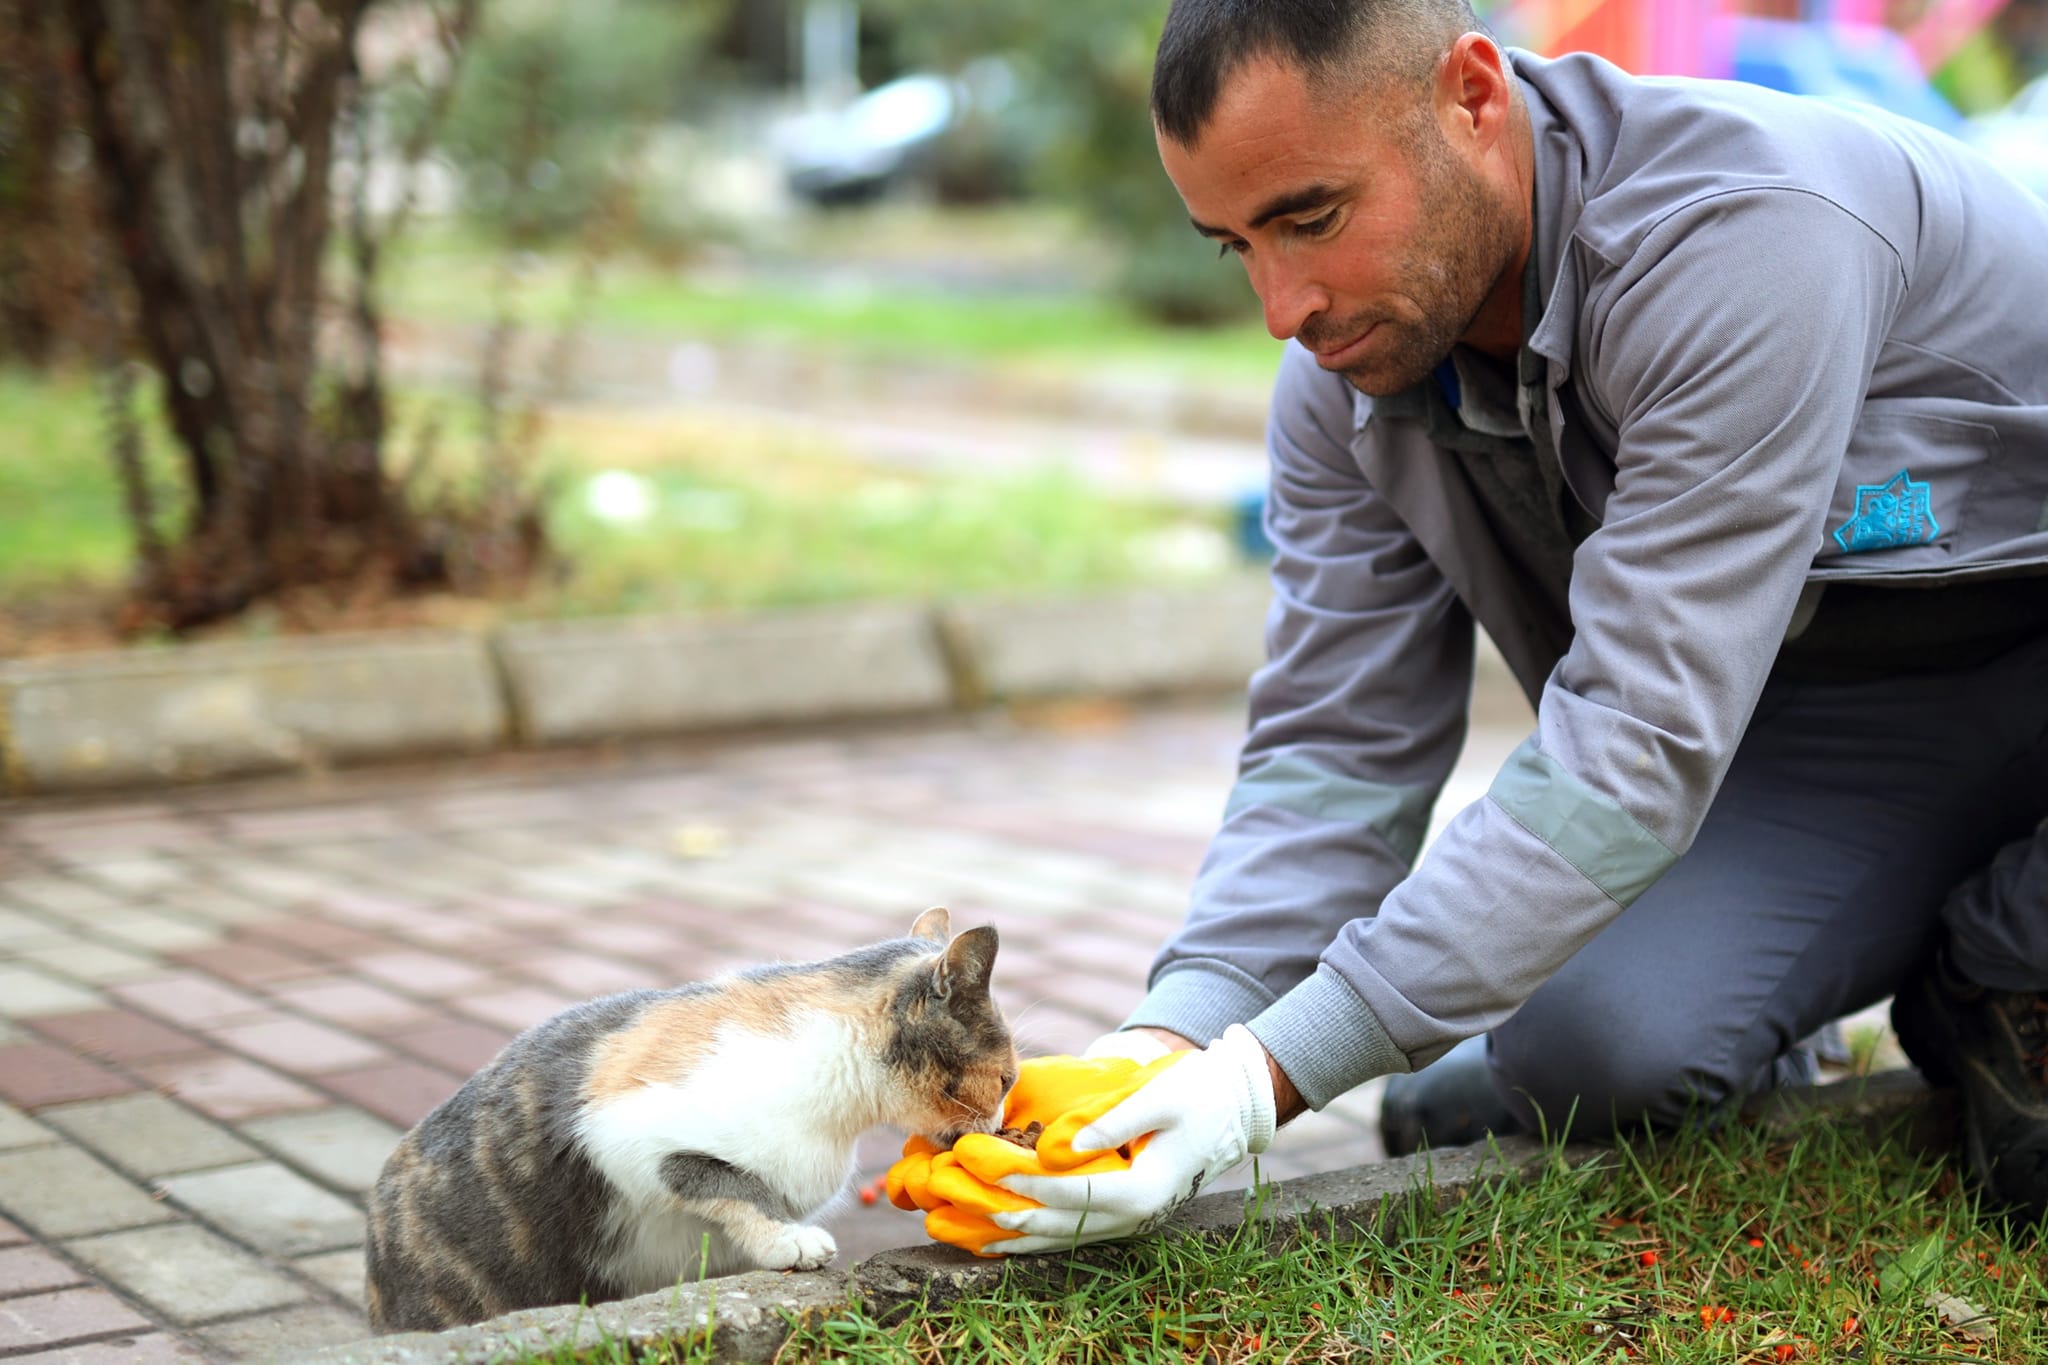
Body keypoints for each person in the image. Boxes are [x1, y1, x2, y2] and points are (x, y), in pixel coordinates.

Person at [986, 0, 2048, 1253]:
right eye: (1234, 246)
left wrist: (1264, 1081)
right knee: (1605, 1047)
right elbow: (1334, 755)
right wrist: (1176, 1037)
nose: (1282, 306)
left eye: (1310, 219)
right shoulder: (1347, 383)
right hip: (1830, 713)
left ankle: (2004, 949)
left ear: (1472, 98)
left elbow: (1636, 744)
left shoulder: (1741, 237)